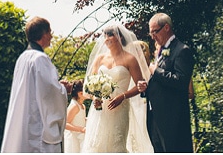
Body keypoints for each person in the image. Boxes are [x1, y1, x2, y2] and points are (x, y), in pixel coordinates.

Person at [1, 17, 71, 153]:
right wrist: (63, 88)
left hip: (23, 117)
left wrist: (56, 86)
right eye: (50, 32)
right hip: (36, 121)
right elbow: (49, 93)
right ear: (44, 34)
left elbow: (43, 86)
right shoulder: (40, 59)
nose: (51, 36)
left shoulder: (23, 58)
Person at [82, 24, 154, 152]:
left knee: (117, 145)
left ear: (120, 37)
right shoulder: (99, 59)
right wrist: (95, 98)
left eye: (111, 35)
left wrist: (123, 96)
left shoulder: (130, 59)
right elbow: (90, 84)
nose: (107, 39)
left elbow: (140, 85)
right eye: (105, 36)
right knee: (96, 145)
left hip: (120, 108)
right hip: (100, 110)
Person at [136, 13, 195, 153]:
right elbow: (159, 82)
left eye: (154, 31)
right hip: (156, 117)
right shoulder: (160, 52)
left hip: (173, 119)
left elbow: (180, 81)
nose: (152, 36)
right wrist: (145, 88)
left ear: (166, 27)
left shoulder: (182, 50)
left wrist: (155, 71)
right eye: (151, 33)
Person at [64, 80, 87, 152]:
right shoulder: (74, 106)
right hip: (73, 139)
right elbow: (66, 124)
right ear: (80, 93)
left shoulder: (82, 106)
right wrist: (81, 129)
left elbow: (80, 119)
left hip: (80, 137)